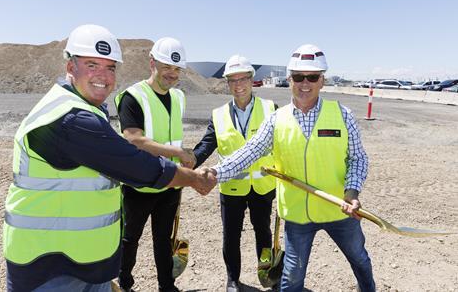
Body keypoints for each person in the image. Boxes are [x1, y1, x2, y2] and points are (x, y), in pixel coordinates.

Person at [2, 24, 215, 292]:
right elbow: (134, 162)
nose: (102, 76)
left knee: (162, 238)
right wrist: (194, 178)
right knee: (132, 239)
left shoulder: (84, 107)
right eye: (92, 65)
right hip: (50, 267)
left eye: (110, 68)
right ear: (70, 67)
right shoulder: (71, 118)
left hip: (81, 260)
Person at [207, 44, 376, 292]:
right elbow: (249, 152)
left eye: (312, 77)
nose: (304, 83)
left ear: (322, 81)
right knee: (291, 280)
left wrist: (352, 192)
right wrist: (214, 173)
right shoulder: (277, 119)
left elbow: (358, 158)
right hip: (298, 216)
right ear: (289, 80)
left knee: (359, 260)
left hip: (339, 210)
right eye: (298, 77)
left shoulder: (342, 114)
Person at [114, 37, 195, 292]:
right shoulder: (133, 97)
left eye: (176, 69)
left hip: (169, 184)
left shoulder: (179, 97)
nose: (172, 74)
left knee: (163, 239)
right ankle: (124, 283)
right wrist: (178, 153)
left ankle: (166, 285)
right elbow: (134, 138)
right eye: (166, 67)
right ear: (152, 63)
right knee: (130, 239)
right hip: (139, 184)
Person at [192, 54, 277, 292]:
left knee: (263, 232)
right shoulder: (218, 115)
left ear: (252, 80)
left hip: (262, 186)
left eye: (243, 79)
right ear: (227, 83)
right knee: (231, 236)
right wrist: (189, 163)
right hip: (231, 188)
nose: (238, 85)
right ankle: (233, 279)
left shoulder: (271, 108)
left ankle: (267, 273)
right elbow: (206, 146)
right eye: (233, 80)